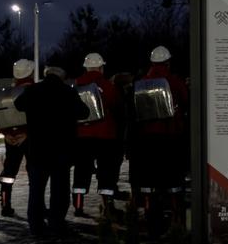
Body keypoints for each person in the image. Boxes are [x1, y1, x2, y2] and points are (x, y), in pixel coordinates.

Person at [15, 66, 89, 236]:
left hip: (37, 150)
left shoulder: (32, 90)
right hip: (61, 150)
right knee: (60, 190)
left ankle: (36, 226)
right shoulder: (68, 92)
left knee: (36, 190)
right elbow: (84, 112)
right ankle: (56, 223)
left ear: (46, 75)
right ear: (62, 77)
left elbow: (18, 105)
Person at [132, 46, 189, 231]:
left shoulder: (142, 83)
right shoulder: (174, 81)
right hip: (171, 138)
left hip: (147, 140)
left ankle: (150, 217)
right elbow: (186, 102)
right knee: (173, 179)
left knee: (149, 180)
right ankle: (175, 218)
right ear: (168, 62)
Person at [72, 53, 122, 218]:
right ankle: (107, 207)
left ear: (86, 68)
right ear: (101, 68)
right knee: (107, 171)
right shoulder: (107, 85)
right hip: (105, 135)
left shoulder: (77, 84)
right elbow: (116, 105)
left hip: (82, 136)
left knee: (81, 171)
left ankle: (78, 206)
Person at [0, 58, 35, 216]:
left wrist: (7, 135)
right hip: (30, 137)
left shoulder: (6, 94)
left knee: (9, 172)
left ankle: (5, 205)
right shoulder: (34, 90)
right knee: (34, 172)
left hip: (10, 139)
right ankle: (36, 206)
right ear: (30, 72)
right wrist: (26, 134)